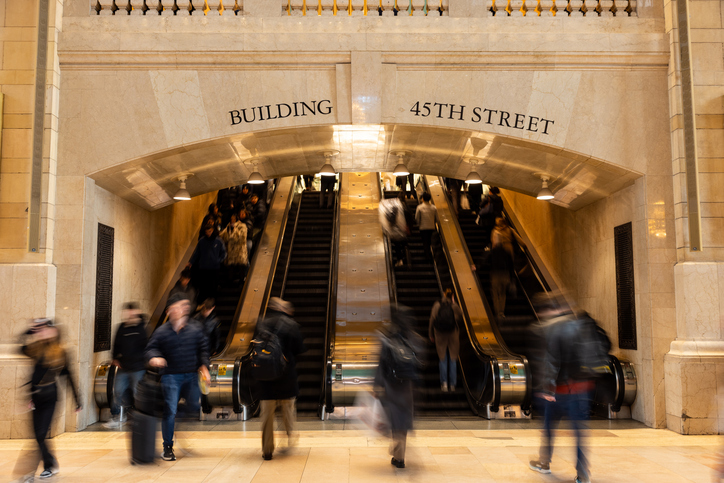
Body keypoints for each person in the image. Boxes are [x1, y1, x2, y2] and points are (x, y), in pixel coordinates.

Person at [529, 294, 594, 483]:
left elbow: (551, 360)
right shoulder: (580, 324)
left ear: (549, 310)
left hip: (560, 391)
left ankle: (544, 463)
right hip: (582, 388)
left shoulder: (552, 328)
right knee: (579, 432)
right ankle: (583, 474)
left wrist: (546, 389)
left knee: (549, 426)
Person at [145, 294, 210, 462]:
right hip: (171, 376)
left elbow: (203, 349)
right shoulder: (162, 332)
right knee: (170, 411)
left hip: (191, 375)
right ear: (169, 311)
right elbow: (150, 348)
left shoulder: (195, 328)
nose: (182, 309)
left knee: (194, 406)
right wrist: (154, 357)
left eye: (184, 306)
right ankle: (168, 447)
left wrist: (204, 367)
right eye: (178, 306)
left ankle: (175, 416)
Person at [19, 319, 81, 479]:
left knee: (40, 434)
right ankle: (51, 462)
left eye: (47, 329)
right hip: (34, 397)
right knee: (37, 435)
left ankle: (40, 469)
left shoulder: (61, 352)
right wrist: (30, 331)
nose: (43, 332)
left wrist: (77, 400)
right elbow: (20, 348)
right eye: (42, 330)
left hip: (50, 397)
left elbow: (69, 377)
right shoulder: (36, 348)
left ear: (55, 332)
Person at [253, 297, 306, 460]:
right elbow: (300, 349)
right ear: (282, 308)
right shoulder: (291, 325)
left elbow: (255, 347)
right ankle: (291, 437)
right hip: (286, 376)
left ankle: (267, 449)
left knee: (267, 415)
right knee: (288, 410)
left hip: (266, 377)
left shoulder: (261, 323)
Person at [374, 305, 422, 469]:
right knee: (404, 418)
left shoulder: (387, 336)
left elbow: (381, 363)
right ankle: (399, 456)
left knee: (393, 418)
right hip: (407, 384)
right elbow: (419, 360)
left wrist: (377, 384)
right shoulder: (412, 337)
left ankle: (397, 452)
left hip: (391, 384)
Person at [105, 302, 148, 429]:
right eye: (127, 313)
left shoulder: (142, 328)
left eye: (132, 313)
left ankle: (138, 417)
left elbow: (145, 347)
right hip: (123, 367)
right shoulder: (121, 327)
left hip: (138, 368)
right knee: (117, 391)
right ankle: (117, 416)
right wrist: (114, 358)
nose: (129, 316)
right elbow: (116, 344)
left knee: (137, 393)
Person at [490, 216, 526, 319]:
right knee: (509, 265)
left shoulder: (495, 231)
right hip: (509, 250)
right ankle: (510, 279)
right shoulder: (510, 229)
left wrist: (493, 253)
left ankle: (498, 312)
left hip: (499, 253)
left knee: (497, 290)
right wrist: (523, 245)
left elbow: (493, 242)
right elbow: (518, 238)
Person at [428, 289, 462, 392]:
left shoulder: (437, 305)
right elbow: (461, 316)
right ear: (452, 296)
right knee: (452, 358)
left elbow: (432, 320)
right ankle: (452, 384)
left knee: (442, 358)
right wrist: (454, 303)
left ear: (443, 294)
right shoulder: (454, 306)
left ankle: (444, 384)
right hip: (453, 334)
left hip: (440, 334)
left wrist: (431, 334)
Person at [189, 224, 226, 303]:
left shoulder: (218, 241)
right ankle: (203, 302)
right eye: (206, 232)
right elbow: (197, 253)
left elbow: (224, 253)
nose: (208, 234)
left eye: (209, 231)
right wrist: (191, 262)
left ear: (212, 230)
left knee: (213, 286)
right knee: (204, 286)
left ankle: (212, 301)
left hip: (214, 268)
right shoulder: (202, 241)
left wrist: (218, 260)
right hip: (203, 267)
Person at [219, 212, 248, 285]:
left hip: (239, 251)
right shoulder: (228, 226)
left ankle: (242, 282)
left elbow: (242, 238)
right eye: (231, 219)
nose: (232, 220)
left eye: (234, 219)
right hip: (231, 251)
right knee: (231, 268)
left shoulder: (242, 226)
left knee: (241, 267)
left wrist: (234, 230)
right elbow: (223, 237)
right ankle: (230, 281)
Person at [379, 197, 409, 267]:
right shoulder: (401, 213)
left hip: (395, 234)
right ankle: (406, 258)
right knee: (404, 245)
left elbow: (386, 224)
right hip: (402, 232)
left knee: (397, 247)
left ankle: (400, 260)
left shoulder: (389, 216)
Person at [415, 192, 437, 262]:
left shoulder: (419, 207)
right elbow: (437, 218)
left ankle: (427, 256)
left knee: (425, 241)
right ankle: (429, 254)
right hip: (431, 227)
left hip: (423, 227)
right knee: (429, 241)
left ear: (423, 199)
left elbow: (417, 218)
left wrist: (418, 224)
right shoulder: (434, 208)